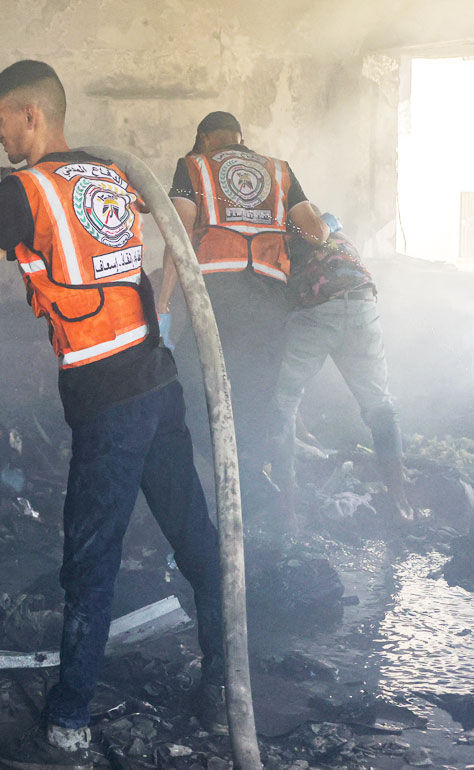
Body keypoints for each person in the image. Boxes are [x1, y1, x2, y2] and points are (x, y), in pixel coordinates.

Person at [0, 60, 226, 770]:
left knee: (89, 567)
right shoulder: (104, 174)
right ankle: (222, 689)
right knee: (197, 538)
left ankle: (67, 734)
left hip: (109, 404)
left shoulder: (24, 189)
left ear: (31, 116)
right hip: (157, 383)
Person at [161, 112, 331, 517]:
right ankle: (254, 495)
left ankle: (232, 484)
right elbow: (317, 233)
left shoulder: (194, 166)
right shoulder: (279, 170)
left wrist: (163, 301)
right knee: (254, 396)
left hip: (220, 295)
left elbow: (178, 232)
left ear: (203, 139)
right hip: (272, 299)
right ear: (241, 138)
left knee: (187, 385)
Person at [273, 211, 413, 523]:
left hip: (317, 312)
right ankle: (400, 502)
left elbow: (281, 298)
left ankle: (285, 501)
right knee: (379, 403)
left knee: (282, 400)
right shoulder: (341, 239)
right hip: (364, 306)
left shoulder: (283, 240)